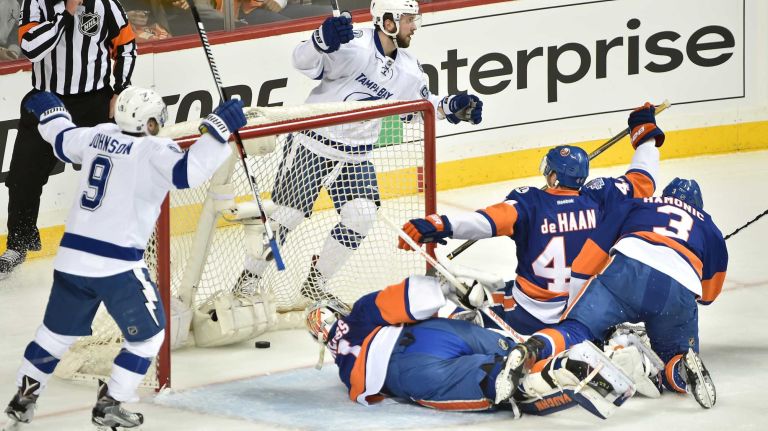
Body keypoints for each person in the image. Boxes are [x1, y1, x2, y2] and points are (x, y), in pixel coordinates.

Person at [3, 88, 246, 428]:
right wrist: (218, 131)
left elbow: (62, 138)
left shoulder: (97, 135)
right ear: (150, 122)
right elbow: (187, 174)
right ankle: (111, 402)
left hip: (72, 260)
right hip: (116, 266)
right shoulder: (154, 149)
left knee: (55, 336)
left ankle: (23, 397)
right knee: (148, 338)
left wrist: (50, 113)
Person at [236, 0, 485, 301]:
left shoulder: (409, 70)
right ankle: (247, 281)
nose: (414, 26)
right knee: (286, 216)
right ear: (389, 21)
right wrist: (321, 40)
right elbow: (301, 61)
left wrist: (451, 106)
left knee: (361, 216)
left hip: (356, 155)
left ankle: (315, 284)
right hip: (313, 143)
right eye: (408, 20)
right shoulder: (351, 44)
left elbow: (421, 108)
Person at [398, 102, 665, 335]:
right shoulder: (603, 197)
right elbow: (643, 180)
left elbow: (486, 222)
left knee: (473, 308)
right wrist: (645, 138)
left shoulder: (530, 204)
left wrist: (440, 225)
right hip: (585, 307)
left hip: (533, 314)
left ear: (553, 177)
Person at [505, 178, 728, 410]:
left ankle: (533, 349)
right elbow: (709, 294)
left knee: (576, 330)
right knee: (671, 356)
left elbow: (590, 256)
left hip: (626, 273)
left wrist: (576, 309)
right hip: (679, 288)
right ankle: (680, 363)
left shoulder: (639, 204)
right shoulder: (710, 227)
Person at [305, 272, 640, 419]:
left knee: (502, 386)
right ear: (338, 312)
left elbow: (370, 393)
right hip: (434, 333)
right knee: (517, 348)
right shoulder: (362, 310)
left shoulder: (345, 372)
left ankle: (552, 377)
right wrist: (454, 291)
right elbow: (409, 297)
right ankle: (615, 352)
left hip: (406, 371)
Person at [1, 0, 137, 279]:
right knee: (22, 177)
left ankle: (119, 241)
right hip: (45, 101)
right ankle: (18, 243)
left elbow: (127, 45)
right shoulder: (36, 2)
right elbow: (31, 48)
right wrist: (66, 12)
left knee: (112, 176)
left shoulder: (105, 3)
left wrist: (120, 90)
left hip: (94, 102)